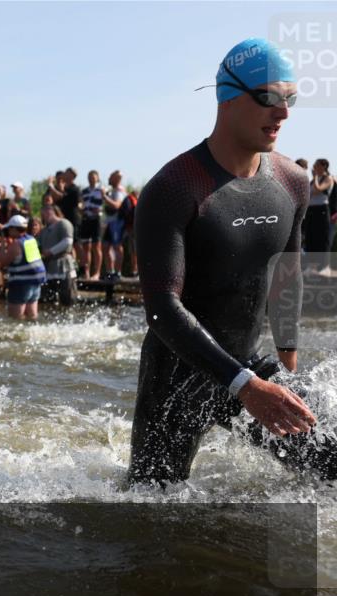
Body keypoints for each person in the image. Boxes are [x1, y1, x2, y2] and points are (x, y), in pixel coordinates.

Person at [129, 38, 336, 486]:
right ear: (227, 95)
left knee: (333, 463)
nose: (283, 112)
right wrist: (244, 386)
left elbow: (287, 274)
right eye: (268, 98)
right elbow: (162, 308)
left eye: (290, 99)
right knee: (150, 516)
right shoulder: (174, 188)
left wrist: (286, 368)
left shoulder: (292, 182)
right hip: (177, 380)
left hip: (254, 368)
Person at [0, 214, 46, 319]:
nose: (8, 231)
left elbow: (2, 262)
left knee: (15, 320)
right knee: (31, 317)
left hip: (21, 285)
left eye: (9, 229)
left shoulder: (16, 244)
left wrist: (2, 242)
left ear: (14, 229)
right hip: (35, 284)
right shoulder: (31, 240)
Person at [38, 198, 77, 305]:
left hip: (64, 266)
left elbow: (68, 242)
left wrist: (50, 251)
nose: (43, 216)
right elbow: (39, 247)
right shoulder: (44, 231)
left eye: (44, 213)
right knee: (49, 302)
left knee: (68, 300)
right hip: (50, 268)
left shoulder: (64, 223)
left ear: (51, 211)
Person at [48, 168, 82, 272]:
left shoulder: (74, 189)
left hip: (72, 220)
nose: (64, 175)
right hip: (63, 220)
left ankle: (78, 267)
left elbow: (61, 197)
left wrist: (51, 185)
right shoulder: (64, 188)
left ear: (72, 176)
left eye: (67, 173)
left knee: (74, 243)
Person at [305, 159, 333, 267]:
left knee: (321, 239)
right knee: (310, 239)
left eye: (316, 165)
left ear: (323, 166)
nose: (314, 167)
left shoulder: (328, 178)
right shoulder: (313, 180)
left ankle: (324, 267)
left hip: (321, 211)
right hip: (311, 211)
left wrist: (315, 176)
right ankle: (311, 266)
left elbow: (318, 189)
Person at [101, 170, 127, 278]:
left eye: (111, 177)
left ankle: (117, 272)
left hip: (117, 223)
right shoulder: (112, 190)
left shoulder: (119, 191)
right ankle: (109, 271)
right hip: (109, 222)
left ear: (116, 179)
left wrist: (104, 197)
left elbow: (117, 205)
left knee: (117, 246)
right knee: (106, 246)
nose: (108, 179)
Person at [80, 170, 105, 280]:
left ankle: (97, 272)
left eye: (93, 177)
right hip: (86, 218)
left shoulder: (102, 189)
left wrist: (99, 209)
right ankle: (86, 272)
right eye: (89, 176)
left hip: (96, 219)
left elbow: (105, 204)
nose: (91, 179)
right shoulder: (84, 191)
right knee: (86, 246)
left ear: (97, 178)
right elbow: (81, 203)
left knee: (96, 246)